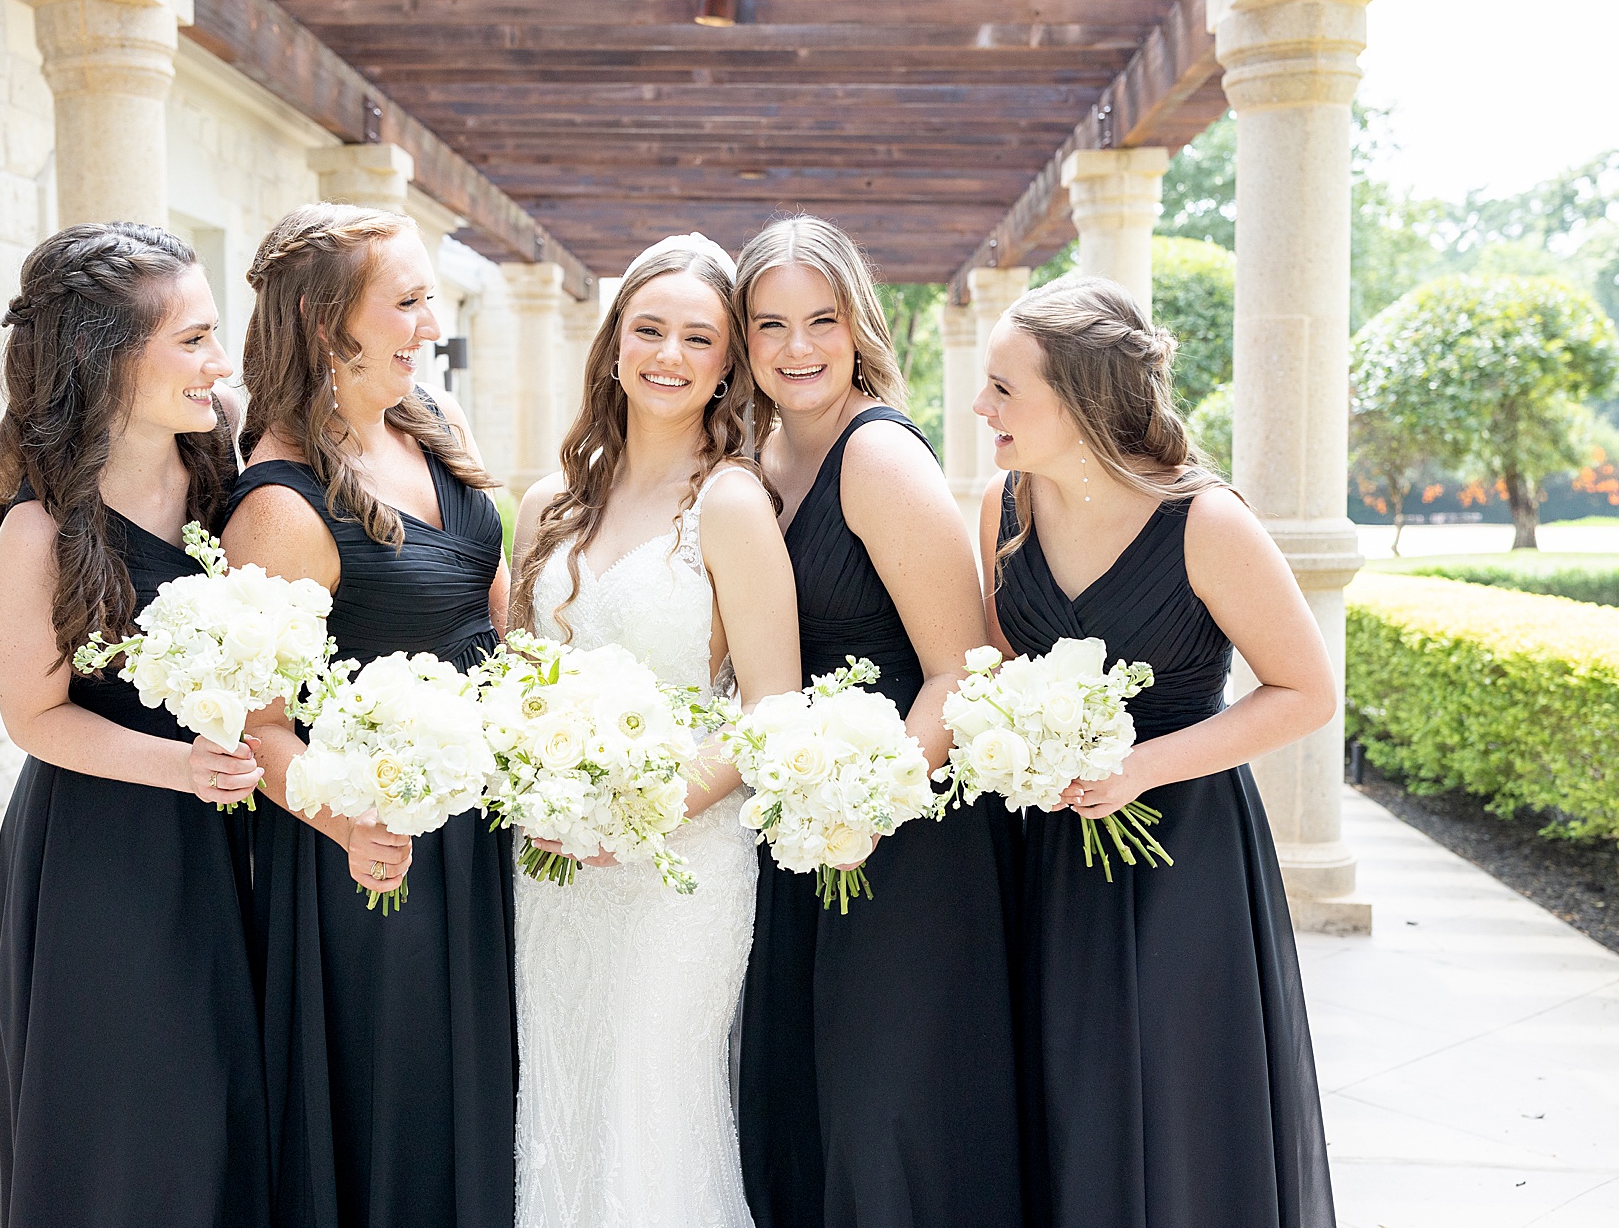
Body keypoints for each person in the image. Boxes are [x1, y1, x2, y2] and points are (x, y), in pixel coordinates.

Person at [977, 274, 1338, 1228]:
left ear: (1082, 398)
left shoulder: (1205, 522)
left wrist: (1140, 766)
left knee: (1171, 1101)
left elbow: (1306, 691)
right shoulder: (1003, 509)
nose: (983, 407)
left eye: (1006, 389)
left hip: (1183, 854)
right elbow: (1002, 668)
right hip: (1047, 848)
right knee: (1060, 1087)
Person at [221, 203, 517, 1228]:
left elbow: (496, 614)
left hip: (482, 831)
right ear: (321, 324)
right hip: (373, 858)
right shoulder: (281, 504)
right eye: (407, 300)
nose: (430, 322)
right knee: (401, 1112)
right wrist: (353, 824)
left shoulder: (430, 424)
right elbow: (255, 729)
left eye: (430, 296)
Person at [0, 221, 268, 1228]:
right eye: (191, 339)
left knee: (224, 1100)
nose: (218, 363)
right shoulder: (41, 527)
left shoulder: (222, 455)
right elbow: (36, 716)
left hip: (224, 828)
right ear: (107, 356)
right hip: (106, 852)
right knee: (130, 1115)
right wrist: (182, 767)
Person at [732, 216, 1025, 1228]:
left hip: (907, 833)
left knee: (885, 1104)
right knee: (806, 1095)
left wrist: (862, 805)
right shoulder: (763, 456)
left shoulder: (878, 456)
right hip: (804, 827)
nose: (797, 347)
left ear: (858, 324)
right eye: (769, 323)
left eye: (821, 319)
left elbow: (960, 666)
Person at [508, 234, 802, 1228]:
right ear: (613, 342)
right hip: (550, 864)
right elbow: (517, 680)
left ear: (727, 362)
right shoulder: (547, 506)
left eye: (697, 336)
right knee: (561, 1090)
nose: (668, 355)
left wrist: (642, 809)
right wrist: (538, 789)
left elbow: (771, 701)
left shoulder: (729, 502)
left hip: (679, 864)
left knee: (651, 1100)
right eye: (648, 329)